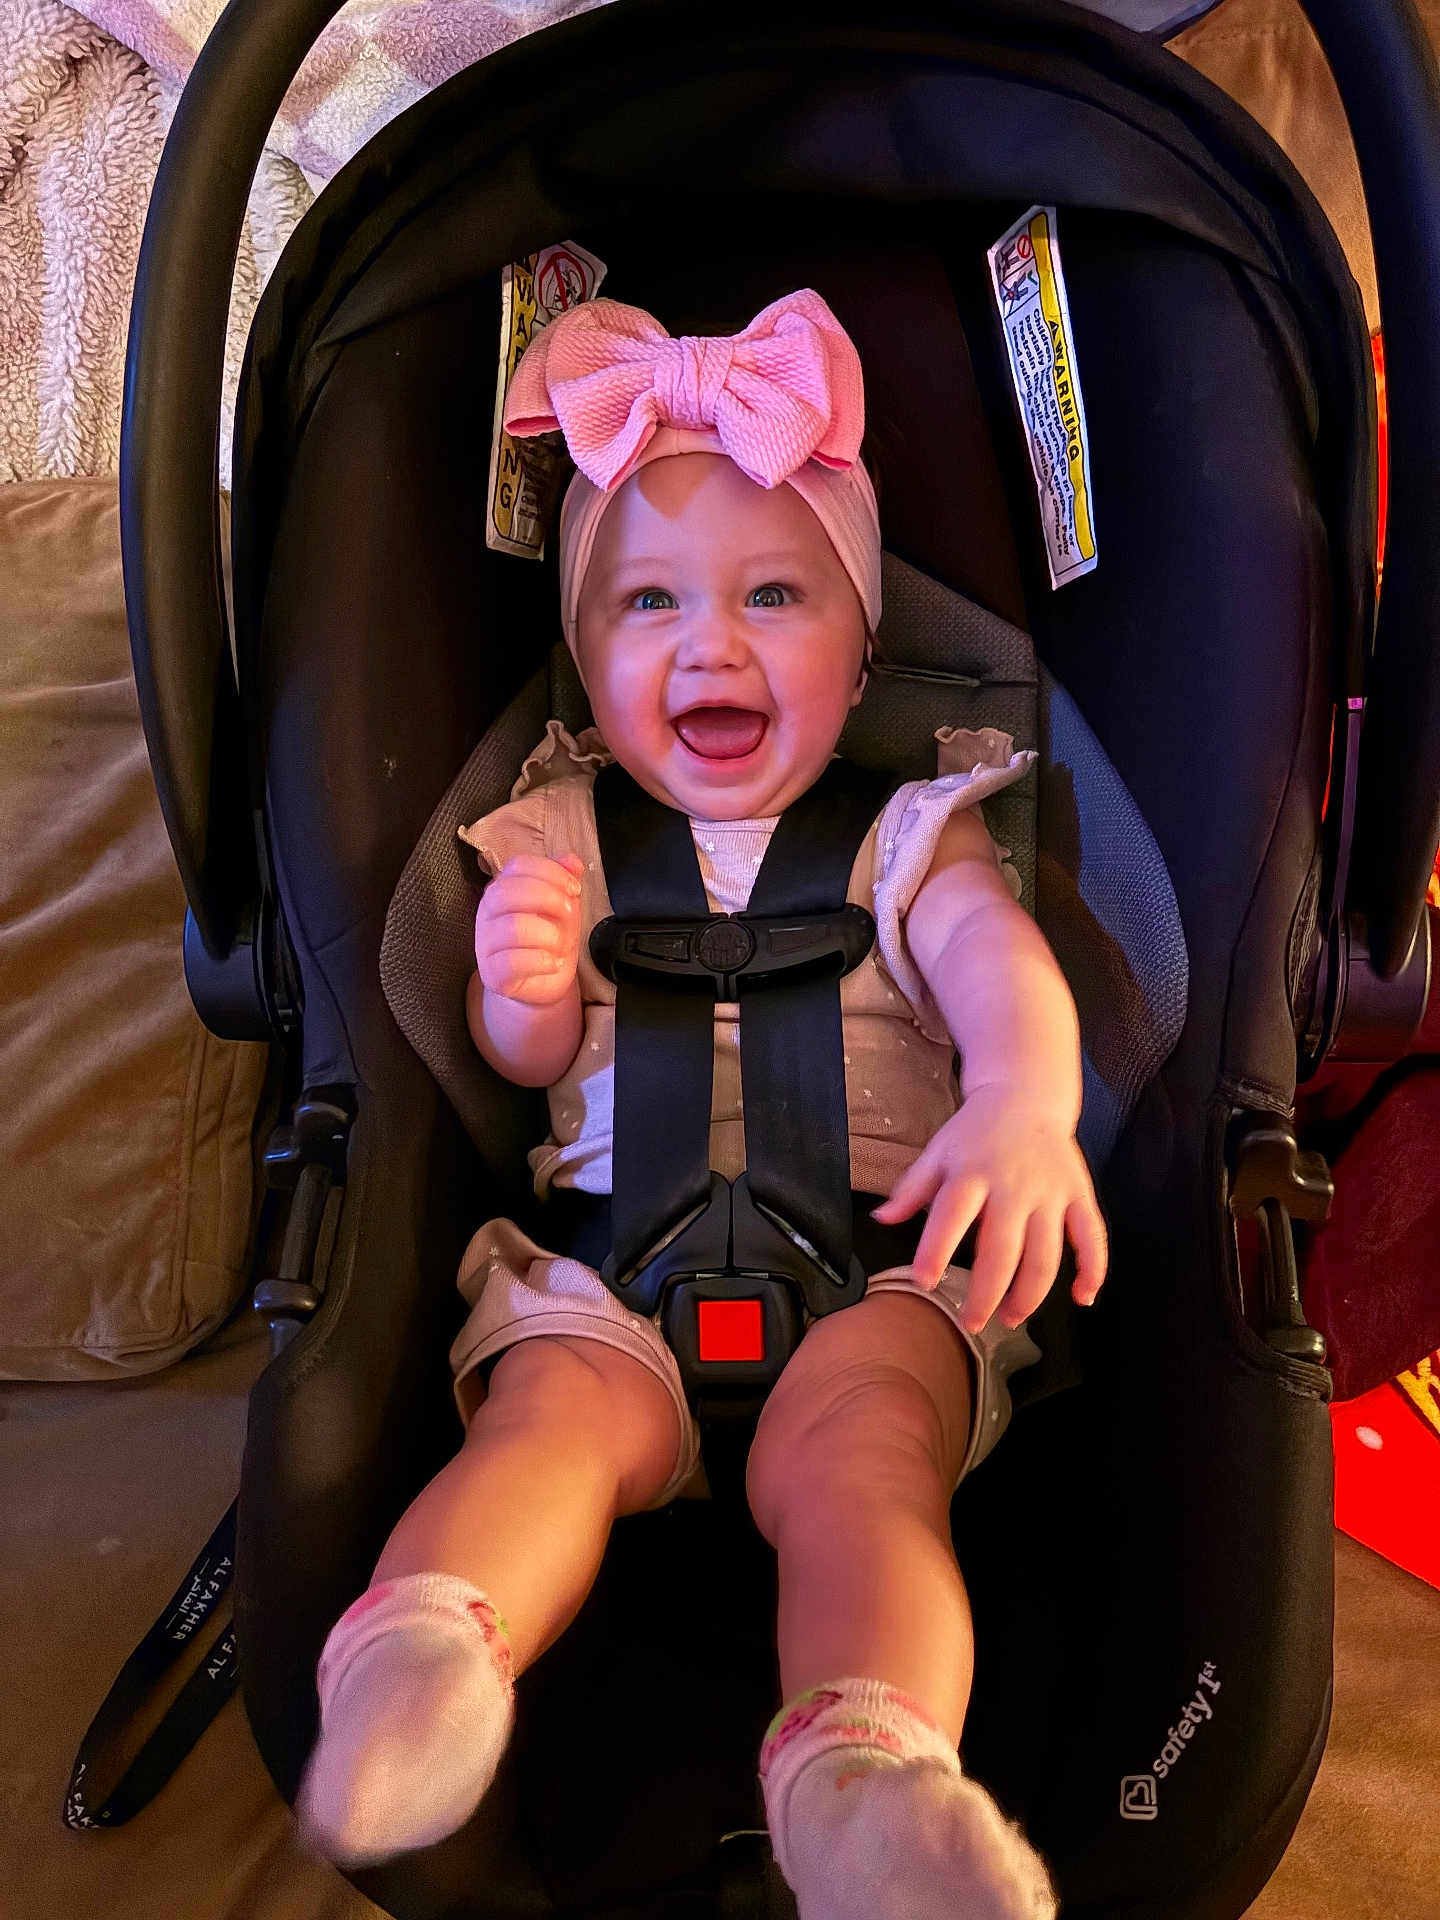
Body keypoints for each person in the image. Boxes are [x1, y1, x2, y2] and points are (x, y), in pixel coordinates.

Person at [297, 288, 1108, 1919]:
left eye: (776, 594)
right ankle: (425, 1653)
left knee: (866, 1466)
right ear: (588, 664)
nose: (708, 642)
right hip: (605, 1271)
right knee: (545, 1427)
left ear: (861, 639)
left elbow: (997, 960)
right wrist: (520, 987)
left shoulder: (908, 833)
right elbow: (521, 1065)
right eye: (647, 602)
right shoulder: (554, 832)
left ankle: (869, 1782)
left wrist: (1023, 1102)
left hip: (878, 1264)